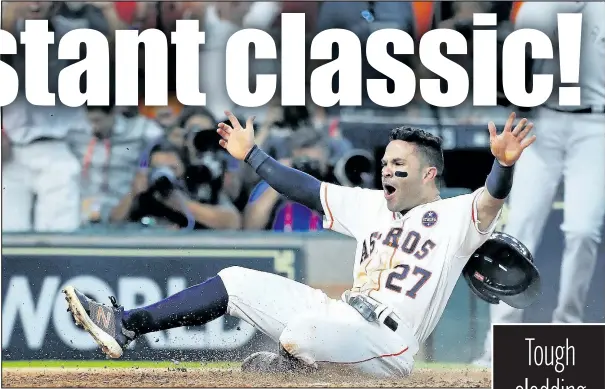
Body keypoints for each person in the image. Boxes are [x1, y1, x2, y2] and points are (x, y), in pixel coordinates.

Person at [63, 110, 535, 378]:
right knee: (236, 282)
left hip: (389, 343)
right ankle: (125, 324)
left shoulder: (456, 217)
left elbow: (492, 197)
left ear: (429, 174)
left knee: (301, 334)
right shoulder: (372, 205)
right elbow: (305, 189)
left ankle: (296, 371)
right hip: (343, 316)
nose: (387, 171)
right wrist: (253, 154)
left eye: (400, 165)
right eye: (386, 162)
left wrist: (505, 165)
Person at [473, 1, 605, 367]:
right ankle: (497, 346)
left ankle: (570, 330)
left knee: (583, 231)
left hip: (597, 125)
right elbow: (509, 70)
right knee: (518, 232)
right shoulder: (535, 7)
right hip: (541, 121)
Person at [111, 141, 242, 230]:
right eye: (158, 168)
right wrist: (133, 193)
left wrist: (180, 203)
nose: (165, 173)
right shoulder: (144, 193)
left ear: (184, 170)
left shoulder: (197, 187)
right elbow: (112, 224)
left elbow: (232, 222)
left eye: (172, 168)